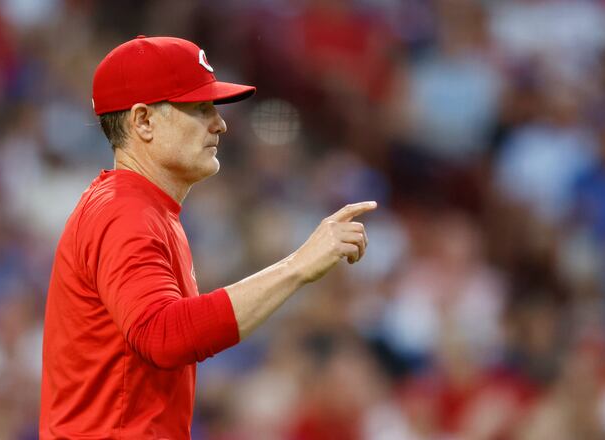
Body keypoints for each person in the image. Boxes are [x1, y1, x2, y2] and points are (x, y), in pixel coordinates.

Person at [39, 35, 377, 440]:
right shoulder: (125, 211)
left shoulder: (143, 209)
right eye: (199, 108)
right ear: (142, 121)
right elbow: (162, 335)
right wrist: (298, 266)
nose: (220, 123)